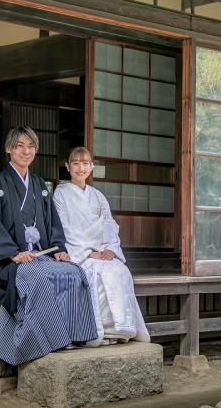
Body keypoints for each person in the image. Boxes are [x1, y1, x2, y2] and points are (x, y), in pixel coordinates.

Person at [0, 127, 100, 366]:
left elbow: (52, 221)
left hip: (38, 255)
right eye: (20, 146)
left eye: (31, 146)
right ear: (8, 149)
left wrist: (58, 248)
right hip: (7, 261)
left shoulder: (38, 184)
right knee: (38, 278)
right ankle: (45, 341)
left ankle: (75, 335)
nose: (26, 151)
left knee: (73, 272)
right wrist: (12, 254)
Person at [53, 146, 150, 345]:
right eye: (76, 163)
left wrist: (110, 250)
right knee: (95, 274)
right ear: (67, 167)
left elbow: (110, 226)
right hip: (81, 254)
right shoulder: (60, 194)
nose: (81, 168)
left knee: (119, 270)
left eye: (85, 163)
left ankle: (120, 329)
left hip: (101, 252)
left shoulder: (98, 196)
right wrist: (89, 252)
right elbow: (64, 228)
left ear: (92, 166)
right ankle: (99, 330)